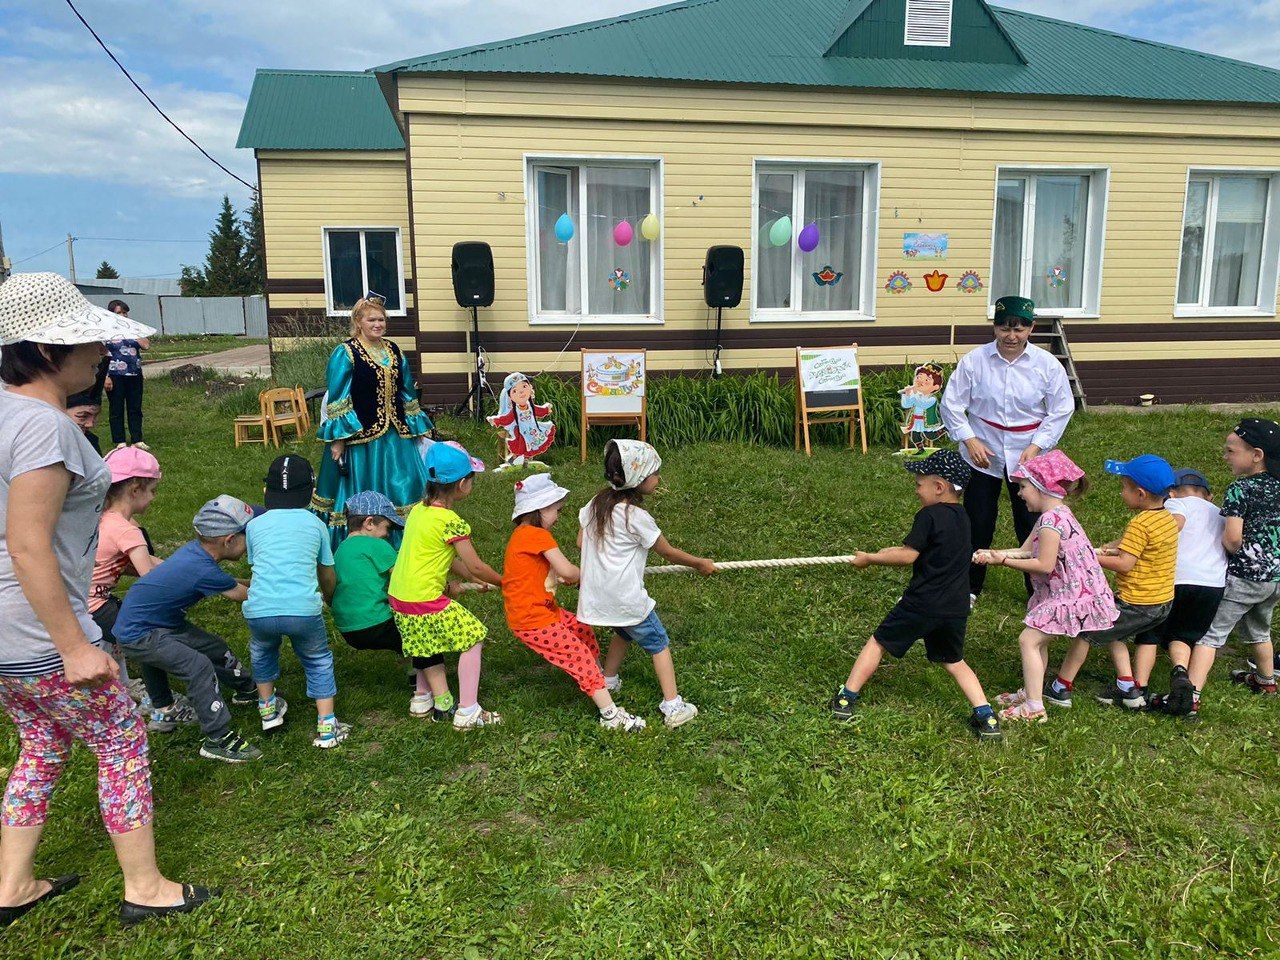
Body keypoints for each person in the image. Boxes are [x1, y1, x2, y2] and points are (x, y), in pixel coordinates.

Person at [0, 271, 212, 927]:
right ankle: (145, 887)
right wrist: (73, 645)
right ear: (43, 349)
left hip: (5, 636)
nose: (101, 353)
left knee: (41, 747)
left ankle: (11, 888)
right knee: (121, 743)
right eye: (88, 340)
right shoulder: (45, 427)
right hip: (44, 634)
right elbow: (28, 543)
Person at [830, 450, 1002, 740]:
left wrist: (870, 558)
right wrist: (884, 553)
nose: (916, 489)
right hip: (956, 606)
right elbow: (927, 552)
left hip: (922, 603)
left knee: (879, 642)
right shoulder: (964, 518)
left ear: (939, 487)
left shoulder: (928, 515)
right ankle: (987, 716)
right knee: (954, 660)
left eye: (919, 483)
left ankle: (847, 697)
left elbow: (909, 556)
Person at [940, 295, 1075, 603]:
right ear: (995, 327)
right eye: (1004, 328)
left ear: (1031, 328)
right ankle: (969, 587)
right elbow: (951, 404)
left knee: (1030, 521)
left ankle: (1038, 588)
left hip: (1028, 452)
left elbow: (1061, 409)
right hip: (982, 451)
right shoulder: (975, 361)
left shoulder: (1046, 365)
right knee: (978, 520)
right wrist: (968, 438)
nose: (1012, 336)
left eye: (1020, 329)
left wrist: (1037, 445)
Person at [112, 496, 262, 762]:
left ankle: (246, 689)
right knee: (198, 666)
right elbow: (243, 595)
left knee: (214, 648)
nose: (249, 541)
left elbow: (225, 581)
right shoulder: (202, 568)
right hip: (142, 634)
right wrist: (282, 588)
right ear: (229, 540)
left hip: (155, 622)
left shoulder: (197, 554)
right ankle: (218, 738)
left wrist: (251, 580)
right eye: (246, 534)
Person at [577, 439, 715, 730]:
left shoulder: (594, 505)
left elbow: (580, 541)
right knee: (658, 642)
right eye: (655, 473)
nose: (658, 478)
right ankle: (673, 706)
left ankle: (609, 679)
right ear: (639, 480)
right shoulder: (636, 517)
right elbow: (666, 551)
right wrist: (700, 563)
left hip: (597, 596)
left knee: (623, 630)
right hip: (626, 598)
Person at [974, 451, 1118, 723]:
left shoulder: (1052, 522)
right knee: (1037, 641)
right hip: (1067, 590)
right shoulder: (1054, 515)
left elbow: (1043, 565)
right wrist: (993, 554)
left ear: (1042, 487)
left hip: (1071, 595)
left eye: (1023, 487)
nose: (1019, 493)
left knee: (1028, 640)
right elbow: (1024, 551)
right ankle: (1032, 692)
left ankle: (1034, 708)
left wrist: (1003, 561)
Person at [503, 473, 645, 731]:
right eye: (556, 510)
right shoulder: (537, 535)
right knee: (577, 656)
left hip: (542, 611)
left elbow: (539, 571)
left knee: (581, 629)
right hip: (533, 620)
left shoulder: (523, 534)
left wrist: (560, 574)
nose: (558, 516)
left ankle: (597, 678)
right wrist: (584, 575)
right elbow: (567, 571)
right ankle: (610, 715)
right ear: (541, 509)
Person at [1045, 455, 1178, 711]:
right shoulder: (1166, 519)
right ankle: (1129, 689)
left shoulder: (1140, 523)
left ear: (1140, 494)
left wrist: (1088, 556)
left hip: (1137, 602)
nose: (1121, 493)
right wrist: (1113, 546)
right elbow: (1142, 545)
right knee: (1115, 632)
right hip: (1161, 602)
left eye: (1124, 488)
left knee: (1087, 630)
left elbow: (1126, 563)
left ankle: (1060, 688)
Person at [388, 442, 504, 730]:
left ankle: (422, 697)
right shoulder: (451, 522)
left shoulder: (417, 511)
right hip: (425, 600)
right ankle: (468, 711)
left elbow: (448, 559)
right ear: (463, 484)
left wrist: (474, 580)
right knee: (473, 637)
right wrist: (504, 581)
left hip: (399, 597)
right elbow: (475, 564)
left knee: (425, 643)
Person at [313, 294, 434, 548]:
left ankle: (407, 541)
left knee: (404, 483)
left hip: (395, 435)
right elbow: (338, 397)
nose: (378, 324)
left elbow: (406, 391)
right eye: (372, 320)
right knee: (366, 487)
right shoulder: (345, 353)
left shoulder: (393, 350)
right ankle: (363, 542)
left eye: (381, 319)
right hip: (362, 440)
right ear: (359, 322)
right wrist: (338, 440)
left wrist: (417, 426)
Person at [245, 455, 348, 748]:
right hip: (302, 609)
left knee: (262, 652)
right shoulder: (316, 525)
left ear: (267, 491)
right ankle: (327, 727)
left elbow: (256, 564)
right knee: (317, 660)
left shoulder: (255, 525)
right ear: (311, 492)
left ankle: (267, 709)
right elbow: (326, 573)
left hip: (260, 609)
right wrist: (329, 598)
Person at [1188, 420, 1280, 707]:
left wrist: (1226, 550)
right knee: (1260, 630)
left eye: (1230, 451)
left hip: (1243, 578)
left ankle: (1189, 696)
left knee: (1211, 635)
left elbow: (1233, 539)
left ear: (1257, 455)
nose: (1225, 456)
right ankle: (1266, 682)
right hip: (1274, 578)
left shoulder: (1242, 488)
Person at [332, 490, 446, 718]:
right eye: (387, 528)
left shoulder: (341, 549)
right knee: (424, 634)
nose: (388, 535)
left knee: (402, 633)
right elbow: (405, 578)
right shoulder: (376, 546)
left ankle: (415, 677)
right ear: (369, 523)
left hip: (348, 629)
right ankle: (434, 697)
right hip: (374, 623)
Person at [1139, 469, 1226, 719]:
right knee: (1184, 634)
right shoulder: (1219, 511)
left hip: (1175, 578)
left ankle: (1140, 689)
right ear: (1209, 495)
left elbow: (1174, 525)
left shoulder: (1176, 503)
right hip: (1211, 584)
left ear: (1171, 492)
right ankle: (1180, 672)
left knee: (1151, 633)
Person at [88, 447, 166, 699]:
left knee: (123, 637)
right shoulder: (128, 531)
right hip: (95, 605)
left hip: (81, 599)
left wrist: (177, 567)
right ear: (135, 490)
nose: (153, 498)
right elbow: (151, 580)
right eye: (152, 491)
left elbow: (148, 562)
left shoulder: (102, 518)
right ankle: (162, 706)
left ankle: (122, 686)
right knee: (146, 638)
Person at [103, 299, 149, 451]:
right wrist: (106, 376)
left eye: (125, 312)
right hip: (115, 374)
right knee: (116, 407)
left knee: (135, 407)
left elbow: (146, 345)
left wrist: (132, 330)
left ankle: (137, 439)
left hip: (134, 373)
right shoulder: (106, 331)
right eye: (118, 313)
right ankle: (120, 440)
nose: (122, 315)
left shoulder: (134, 328)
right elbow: (102, 355)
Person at [64, 356, 108, 454]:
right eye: (83, 416)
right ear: (61, 411)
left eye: (95, 417)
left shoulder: (91, 442)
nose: (91, 424)